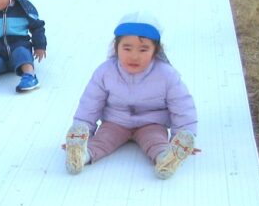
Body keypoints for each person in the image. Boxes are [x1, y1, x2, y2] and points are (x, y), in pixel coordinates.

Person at [64, 12, 197, 179]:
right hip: (115, 122)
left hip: (152, 123)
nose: (134, 56)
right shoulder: (105, 72)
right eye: (127, 48)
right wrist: (84, 132)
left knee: (156, 142)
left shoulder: (166, 74)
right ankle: (80, 154)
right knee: (102, 141)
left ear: (155, 51)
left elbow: (182, 106)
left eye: (143, 49)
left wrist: (184, 135)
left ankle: (167, 158)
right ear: (116, 47)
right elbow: (90, 103)